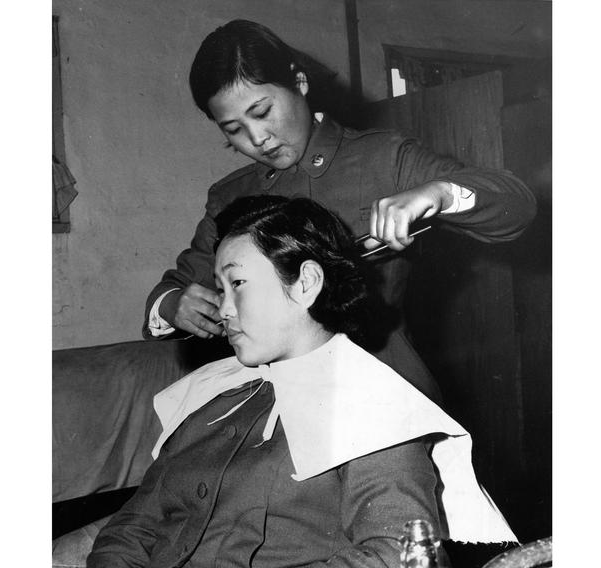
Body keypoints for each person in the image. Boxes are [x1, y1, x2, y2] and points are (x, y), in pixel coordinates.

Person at [87, 196, 515, 568]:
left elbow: (394, 555)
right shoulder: (212, 399)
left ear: (307, 283)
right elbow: (133, 528)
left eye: (237, 284)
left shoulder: (374, 409)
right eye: (220, 288)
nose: (225, 309)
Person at [144, 19, 537, 403]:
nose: (257, 139)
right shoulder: (229, 196)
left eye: (262, 112)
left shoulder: (383, 158)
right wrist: (173, 305)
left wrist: (439, 193)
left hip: (380, 389)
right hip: (273, 400)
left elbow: (516, 205)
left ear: (299, 84)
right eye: (233, 129)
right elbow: (169, 291)